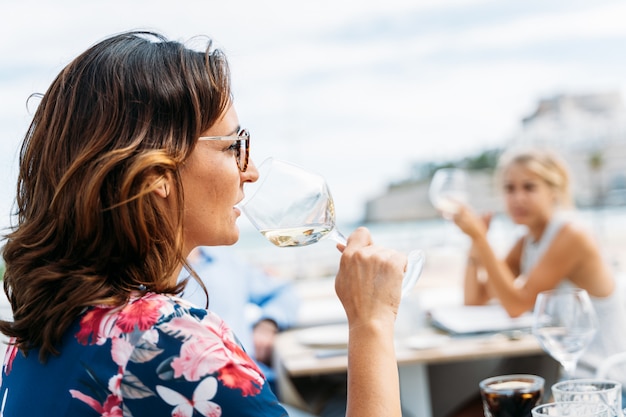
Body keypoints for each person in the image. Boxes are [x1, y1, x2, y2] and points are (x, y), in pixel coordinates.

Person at [0, 31, 406, 416]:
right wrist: (371, 320)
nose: (251, 172)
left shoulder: (34, 337)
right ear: (155, 172)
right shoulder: (177, 347)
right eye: (234, 146)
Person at [451, 147, 626, 382]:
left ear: (553, 191)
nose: (517, 198)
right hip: (567, 375)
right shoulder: (528, 239)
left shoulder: (571, 234)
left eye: (529, 187)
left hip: (603, 382)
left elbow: (516, 305)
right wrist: (475, 241)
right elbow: (476, 298)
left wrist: (482, 240)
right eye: (509, 188)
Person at [180, 246, 299, 389]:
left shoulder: (227, 260)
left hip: (255, 380)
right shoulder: (155, 271)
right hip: (199, 390)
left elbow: (283, 292)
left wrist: (267, 324)